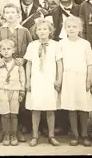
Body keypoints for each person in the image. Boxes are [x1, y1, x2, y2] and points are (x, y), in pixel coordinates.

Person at [0, 3, 33, 141]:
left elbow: (30, 48)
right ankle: (4, 131)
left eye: (12, 12)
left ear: (18, 14)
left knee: (17, 105)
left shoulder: (24, 31)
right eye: (7, 12)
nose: (10, 15)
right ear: (3, 15)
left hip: (18, 69)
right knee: (3, 105)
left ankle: (16, 131)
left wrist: (24, 59)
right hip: (4, 69)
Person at [24, 18, 63, 147]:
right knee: (35, 109)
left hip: (50, 80)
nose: (42, 31)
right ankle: (35, 135)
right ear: (36, 31)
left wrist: (59, 79)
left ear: (50, 31)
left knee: (50, 109)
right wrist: (28, 81)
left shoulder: (56, 45)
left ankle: (51, 135)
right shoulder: (32, 45)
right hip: (36, 80)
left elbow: (59, 64)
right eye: (39, 29)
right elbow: (28, 64)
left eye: (45, 29)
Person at [58, 16, 92, 147]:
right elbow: (60, 64)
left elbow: (90, 63)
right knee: (72, 107)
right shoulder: (61, 43)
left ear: (80, 29)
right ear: (65, 28)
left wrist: (88, 80)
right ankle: (75, 135)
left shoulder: (85, 44)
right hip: (68, 79)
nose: (72, 29)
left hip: (82, 78)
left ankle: (84, 134)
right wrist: (60, 80)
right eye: (69, 27)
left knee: (83, 107)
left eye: (75, 27)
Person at [0, 39, 26, 146]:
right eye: (3, 49)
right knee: (5, 114)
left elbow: (22, 78)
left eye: (8, 49)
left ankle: (13, 135)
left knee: (14, 114)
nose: (6, 51)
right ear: (0, 51)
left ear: (13, 50)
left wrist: (22, 92)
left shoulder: (17, 64)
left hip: (15, 90)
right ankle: (6, 135)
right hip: (2, 91)